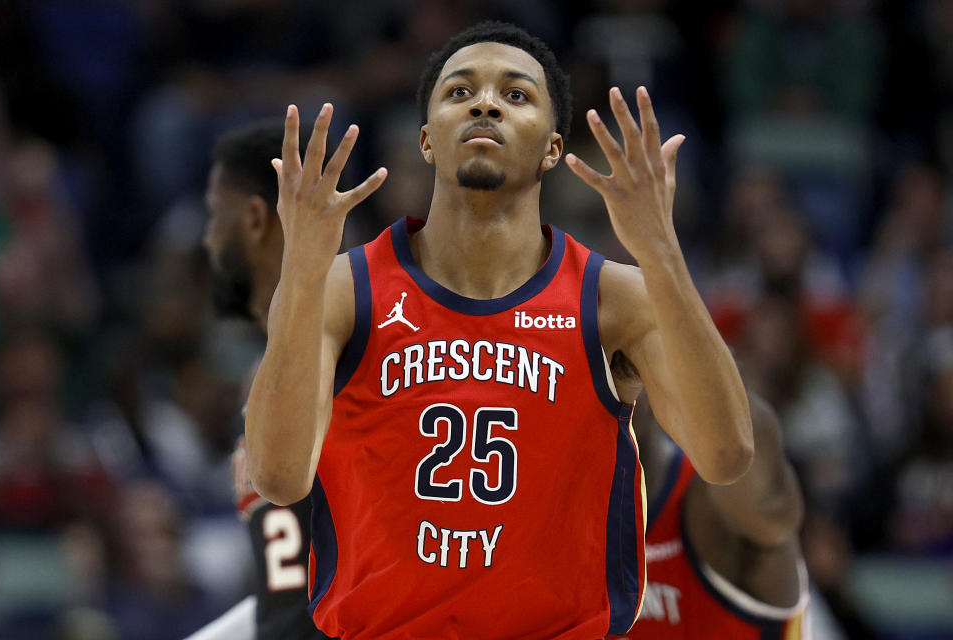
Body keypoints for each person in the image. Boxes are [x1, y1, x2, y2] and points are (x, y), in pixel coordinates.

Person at [247, 21, 754, 638]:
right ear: (427, 140)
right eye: (460, 91)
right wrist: (298, 269)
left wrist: (660, 249)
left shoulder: (616, 298)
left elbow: (726, 456)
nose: (485, 102)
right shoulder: (339, 290)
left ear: (552, 147)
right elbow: (277, 477)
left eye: (516, 95)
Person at [187, 121, 330, 640]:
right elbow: (288, 591)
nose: (206, 237)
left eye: (212, 214)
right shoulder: (261, 373)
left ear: (252, 218)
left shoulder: (351, 347)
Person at [609, 392, 811, 639]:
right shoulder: (561, 517)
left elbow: (771, 508)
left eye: (614, 361)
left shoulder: (716, 500)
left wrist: (702, 369)